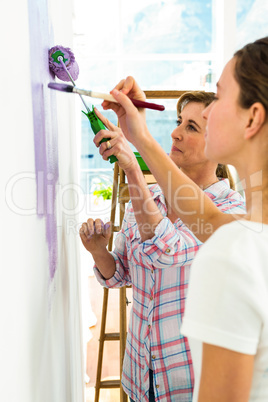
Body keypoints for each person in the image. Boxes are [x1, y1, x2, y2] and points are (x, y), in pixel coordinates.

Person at [98, 37, 268, 401]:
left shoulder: (232, 253)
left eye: (218, 98)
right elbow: (203, 215)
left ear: (253, 118)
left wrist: (135, 152)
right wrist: (139, 136)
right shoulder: (244, 230)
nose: (206, 112)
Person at [80, 91, 245, 401]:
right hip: (140, 375)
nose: (175, 132)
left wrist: (132, 168)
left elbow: (164, 251)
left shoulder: (233, 213)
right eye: (178, 121)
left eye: (192, 127)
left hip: (190, 380)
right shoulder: (150, 198)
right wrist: (99, 252)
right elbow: (124, 273)